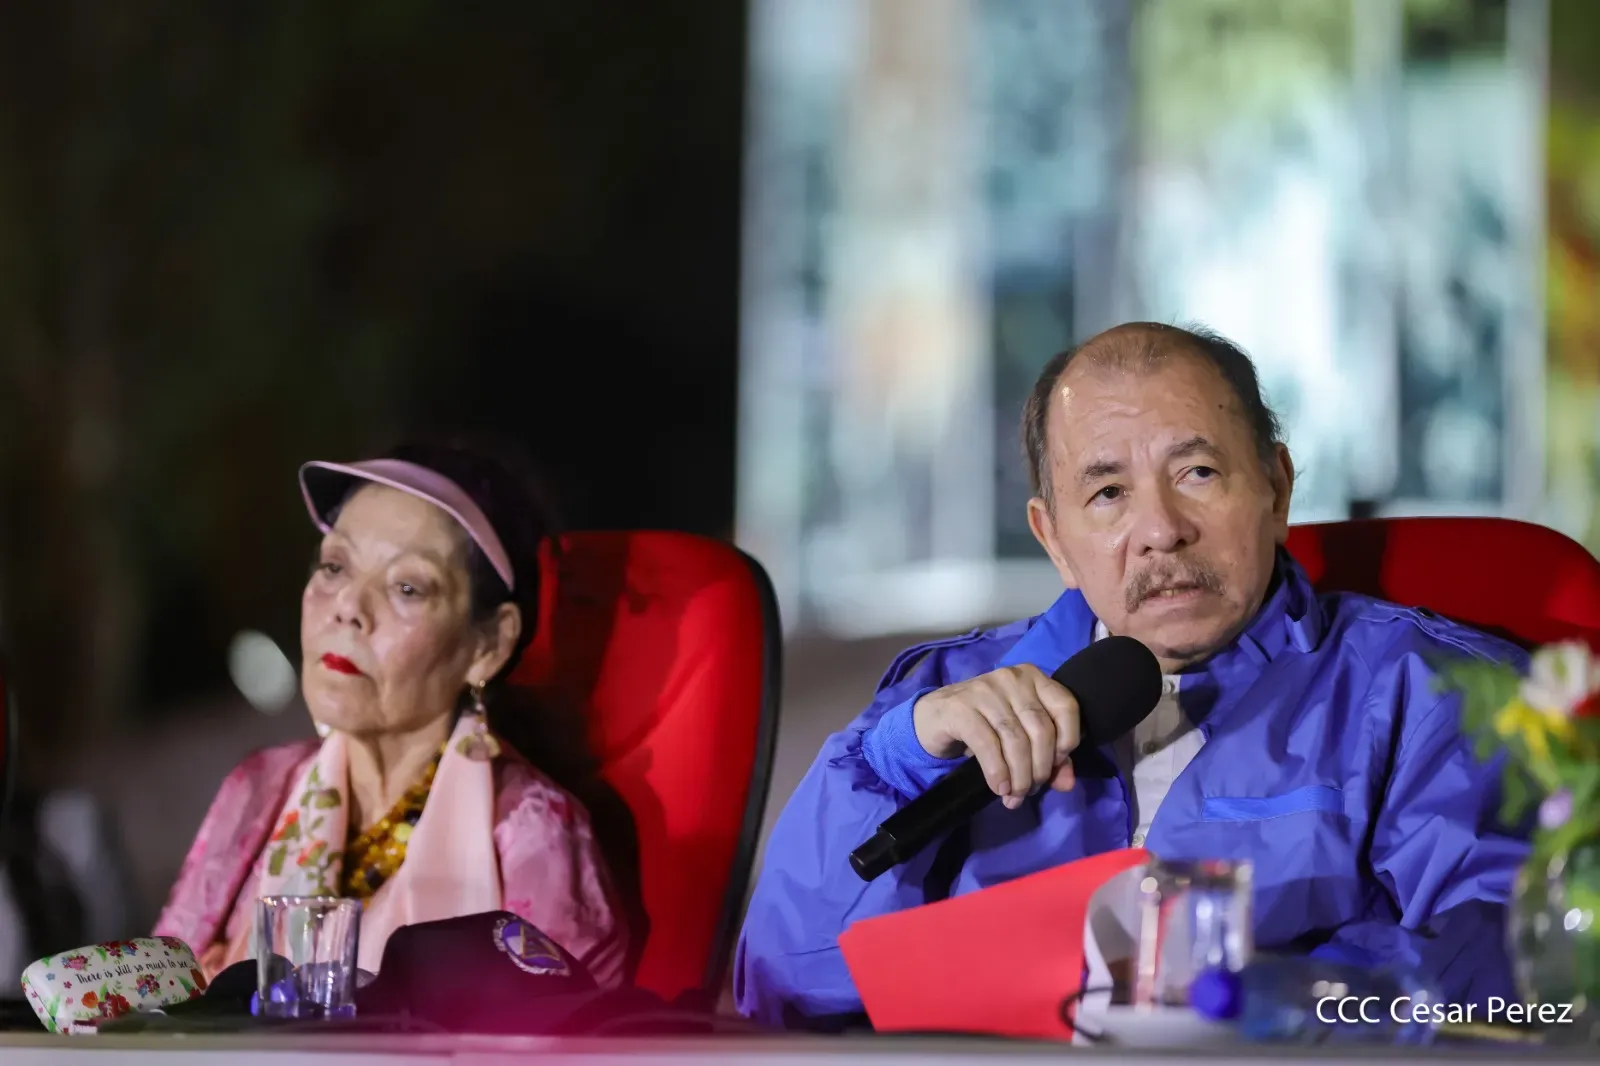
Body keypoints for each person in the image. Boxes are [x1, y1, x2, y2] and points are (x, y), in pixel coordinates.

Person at [735, 323, 1528, 1027]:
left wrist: (1249, 1001)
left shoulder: (1428, 692)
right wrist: (894, 761)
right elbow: (779, 987)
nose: (1160, 531)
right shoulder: (951, 699)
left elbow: (1518, 971)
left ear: (1277, 489)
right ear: (1053, 538)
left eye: (1198, 475)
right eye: (1108, 493)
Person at [154, 440, 631, 985]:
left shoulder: (531, 831)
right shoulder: (259, 789)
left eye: (407, 587)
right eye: (335, 566)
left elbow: (565, 1037)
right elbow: (153, 993)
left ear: (490, 645)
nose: (349, 607)